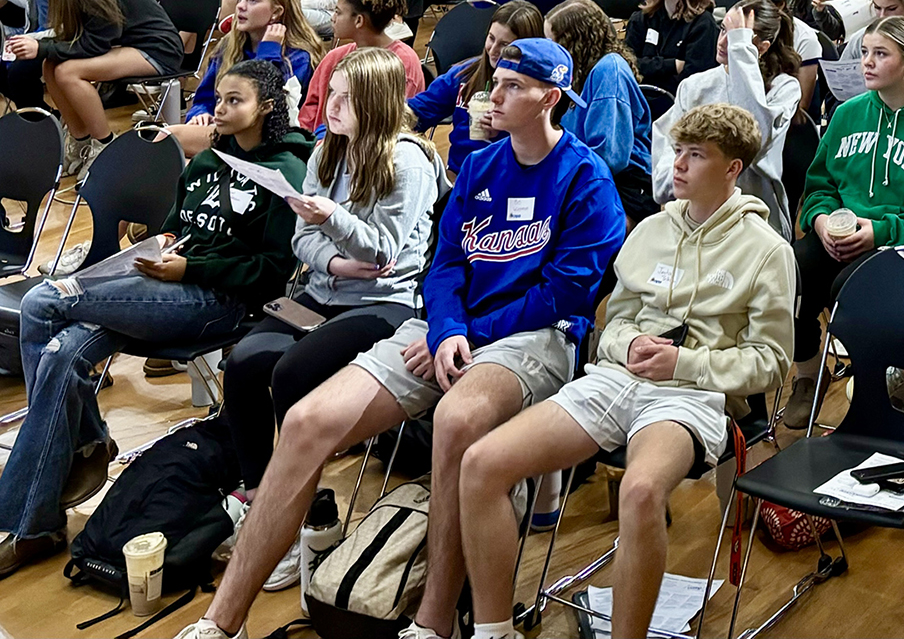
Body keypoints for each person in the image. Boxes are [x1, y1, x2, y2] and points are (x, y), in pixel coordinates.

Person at [174, 39, 622, 639]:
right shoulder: (483, 165)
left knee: (458, 420)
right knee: (306, 421)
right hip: (446, 328)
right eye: (497, 81)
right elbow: (443, 267)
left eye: (514, 86)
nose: (496, 95)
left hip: (534, 337)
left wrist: (467, 334)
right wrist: (446, 329)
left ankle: (432, 623)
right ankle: (220, 622)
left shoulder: (586, 178)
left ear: (551, 96)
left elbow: (565, 295)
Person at [460, 102, 791, 639]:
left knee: (639, 492)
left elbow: (772, 362)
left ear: (733, 168)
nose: (677, 165)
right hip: (617, 379)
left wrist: (682, 360)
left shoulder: (767, 249)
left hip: (692, 394)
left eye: (696, 155)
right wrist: (629, 341)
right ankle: (492, 630)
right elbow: (611, 322)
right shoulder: (653, 230)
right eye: (677, 151)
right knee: (481, 464)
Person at [0, 60, 312, 579]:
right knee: (59, 351)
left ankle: (85, 443)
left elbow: (273, 272)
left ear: (269, 107)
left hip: (221, 303)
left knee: (40, 304)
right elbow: (176, 226)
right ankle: (36, 527)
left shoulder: (287, 171)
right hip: (163, 287)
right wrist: (159, 241)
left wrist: (193, 266)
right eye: (220, 99)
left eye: (236, 101)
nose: (220, 109)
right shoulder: (208, 158)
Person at [222, 48, 445, 562]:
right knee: (243, 365)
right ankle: (262, 499)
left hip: (387, 306)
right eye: (331, 94)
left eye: (345, 98)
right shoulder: (327, 151)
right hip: (323, 292)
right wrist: (335, 263)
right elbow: (301, 242)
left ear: (375, 101)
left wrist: (331, 219)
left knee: (293, 374)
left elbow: (383, 254)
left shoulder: (408, 159)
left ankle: (303, 519)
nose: (331, 106)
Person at [786, 15, 904, 420]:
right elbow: (818, 187)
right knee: (787, 274)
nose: (866, 62)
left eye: (880, 54)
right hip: (838, 231)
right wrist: (820, 221)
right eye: (865, 52)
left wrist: (882, 232)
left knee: (850, 290)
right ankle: (808, 374)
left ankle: (891, 385)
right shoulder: (849, 113)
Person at [3, 0, 184, 178]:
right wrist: (42, 46)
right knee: (51, 66)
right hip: (129, 45)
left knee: (68, 72)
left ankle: (105, 146)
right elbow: (78, 37)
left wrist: (41, 47)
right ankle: (80, 141)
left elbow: (94, 45)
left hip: (158, 50)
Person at [653, 0, 802, 235]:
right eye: (723, 30)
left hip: (753, 216)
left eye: (733, 35)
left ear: (761, 47)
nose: (722, 41)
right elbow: (668, 158)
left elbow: (754, 141)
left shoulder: (784, 88)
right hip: (695, 210)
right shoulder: (695, 85)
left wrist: (740, 48)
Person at [168, 0, 323, 158]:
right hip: (225, 129)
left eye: (253, 0)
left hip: (271, 140)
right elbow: (205, 98)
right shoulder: (229, 47)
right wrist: (200, 114)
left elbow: (263, 104)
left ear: (276, 12)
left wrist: (269, 49)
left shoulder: (298, 56)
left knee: (171, 139)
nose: (241, 6)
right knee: (165, 141)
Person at [549, 0, 657, 226]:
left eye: (555, 43)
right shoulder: (580, 73)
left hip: (622, 186)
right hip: (587, 178)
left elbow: (609, 157)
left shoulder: (609, 71)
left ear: (575, 41)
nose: (552, 53)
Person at [408, 0, 542, 176]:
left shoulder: (537, 92)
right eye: (491, 38)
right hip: (460, 175)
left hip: (508, 181)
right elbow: (418, 110)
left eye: (505, 45)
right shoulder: (464, 75)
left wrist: (507, 128)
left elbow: (543, 153)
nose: (493, 49)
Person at [296, 0, 426, 130]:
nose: (333, 18)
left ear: (358, 21)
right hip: (323, 143)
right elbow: (311, 107)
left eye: (338, 12)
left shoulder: (402, 63)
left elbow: (394, 122)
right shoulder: (335, 57)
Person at [625, 0, 720, 94]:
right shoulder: (642, 18)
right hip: (640, 97)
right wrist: (672, 65)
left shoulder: (703, 24)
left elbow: (694, 77)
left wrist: (648, 68)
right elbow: (627, 63)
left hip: (679, 103)